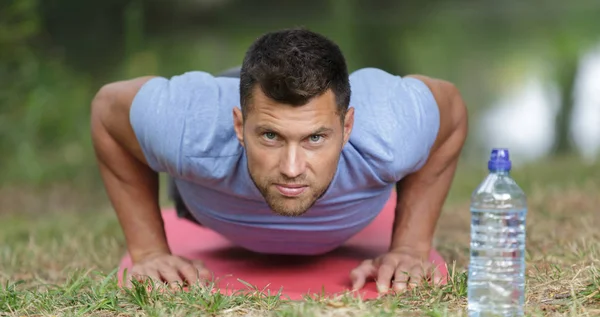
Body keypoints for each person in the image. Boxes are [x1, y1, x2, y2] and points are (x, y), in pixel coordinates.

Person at [90, 28, 468, 294]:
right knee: (208, 124)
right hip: (208, 166)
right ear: (239, 125)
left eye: (314, 138)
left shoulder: (389, 129)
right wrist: (149, 251)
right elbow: (108, 109)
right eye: (271, 136)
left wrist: (411, 247)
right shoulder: (191, 129)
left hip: (353, 114)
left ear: (348, 125)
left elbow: (451, 109)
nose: (291, 168)